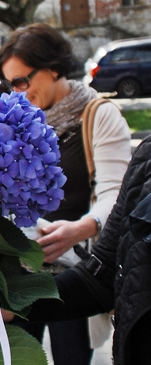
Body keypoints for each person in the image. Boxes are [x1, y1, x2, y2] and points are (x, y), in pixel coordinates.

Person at [0, 23, 131, 364]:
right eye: (9, 84)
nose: (16, 93)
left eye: (22, 81)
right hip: (19, 275)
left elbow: (117, 193)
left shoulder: (98, 115)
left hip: (75, 276)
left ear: (53, 68)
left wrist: (81, 229)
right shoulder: (15, 121)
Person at [21, 134, 151, 364]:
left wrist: (84, 227)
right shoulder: (147, 158)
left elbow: (109, 189)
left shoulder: (98, 114)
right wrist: (8, 303)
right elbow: (102, 276)